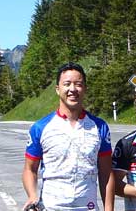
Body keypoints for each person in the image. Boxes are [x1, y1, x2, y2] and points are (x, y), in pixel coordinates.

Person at [22, 62, 113, 211]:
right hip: (51, 206)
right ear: (58, 89)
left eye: (78, 84)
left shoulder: (100, 127)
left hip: (87, 207)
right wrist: (32, 196)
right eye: (67, 84)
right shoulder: (40, 127)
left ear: (85, 89)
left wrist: (109, 209)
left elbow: (106, 173)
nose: (72, 89)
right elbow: (29, 169)